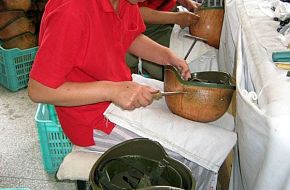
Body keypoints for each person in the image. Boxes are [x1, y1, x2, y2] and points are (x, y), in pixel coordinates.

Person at [28, 0, 216, 189]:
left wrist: (166, 55)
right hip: (91, 119)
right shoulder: (72, 10)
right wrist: (112, 90)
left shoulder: (126, 2)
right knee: (196, 159)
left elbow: (129, 36)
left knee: (206, 140)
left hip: (118, 91)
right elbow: (39, 89)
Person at [126, 0, 201, 80]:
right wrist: (176, 18)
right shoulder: (125, 7)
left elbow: (133, 39)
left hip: (163, 21)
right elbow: (137, 11)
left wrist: (168, 56)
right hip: (150, 29)